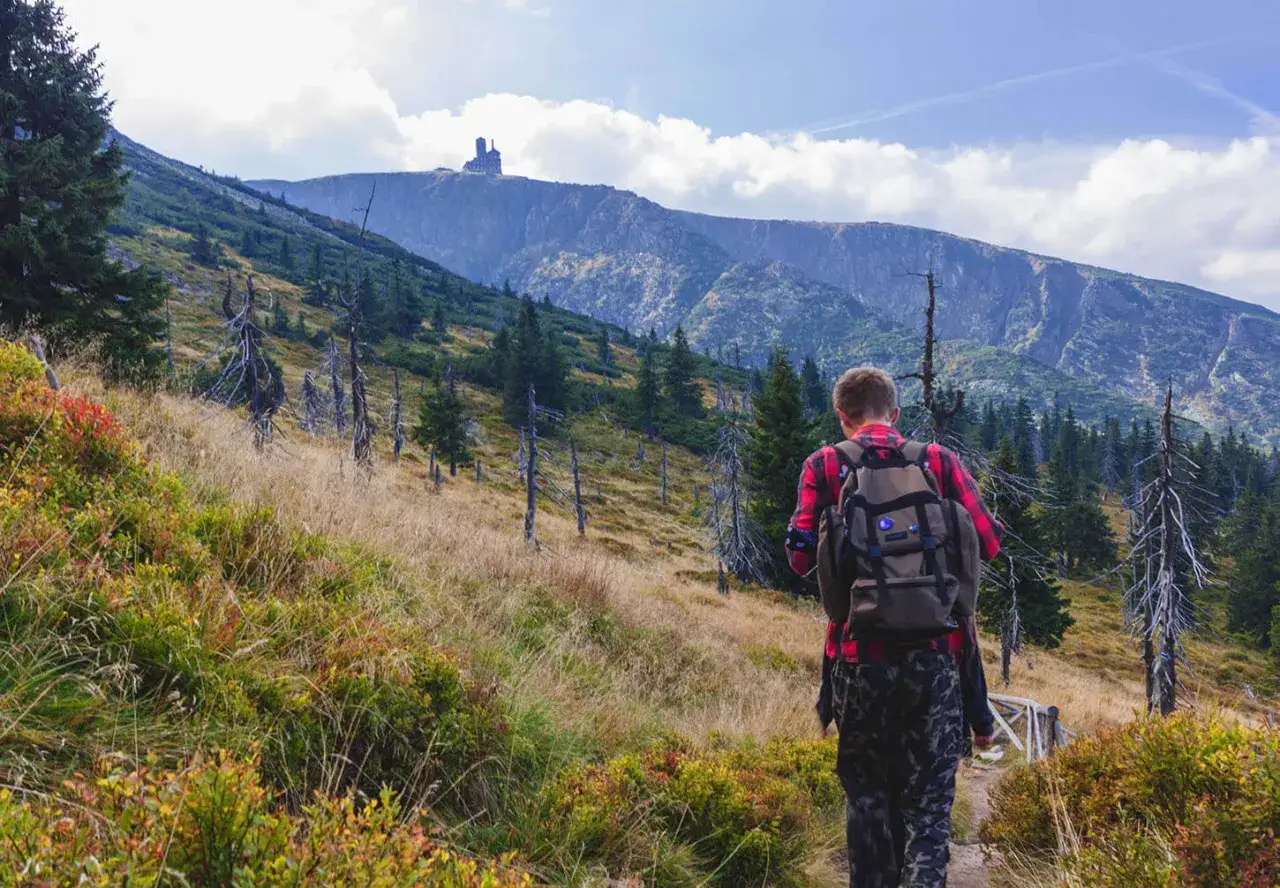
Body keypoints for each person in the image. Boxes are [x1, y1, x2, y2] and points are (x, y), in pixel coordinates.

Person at [786, 367, 1002, 888]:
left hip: (860, 663)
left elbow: (798, 560)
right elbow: (987, 541)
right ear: (895, 413)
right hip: (937, 660)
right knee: (929, 807)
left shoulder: (826, 464)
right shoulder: (937, 461)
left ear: (843, 416)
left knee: (868, 799)